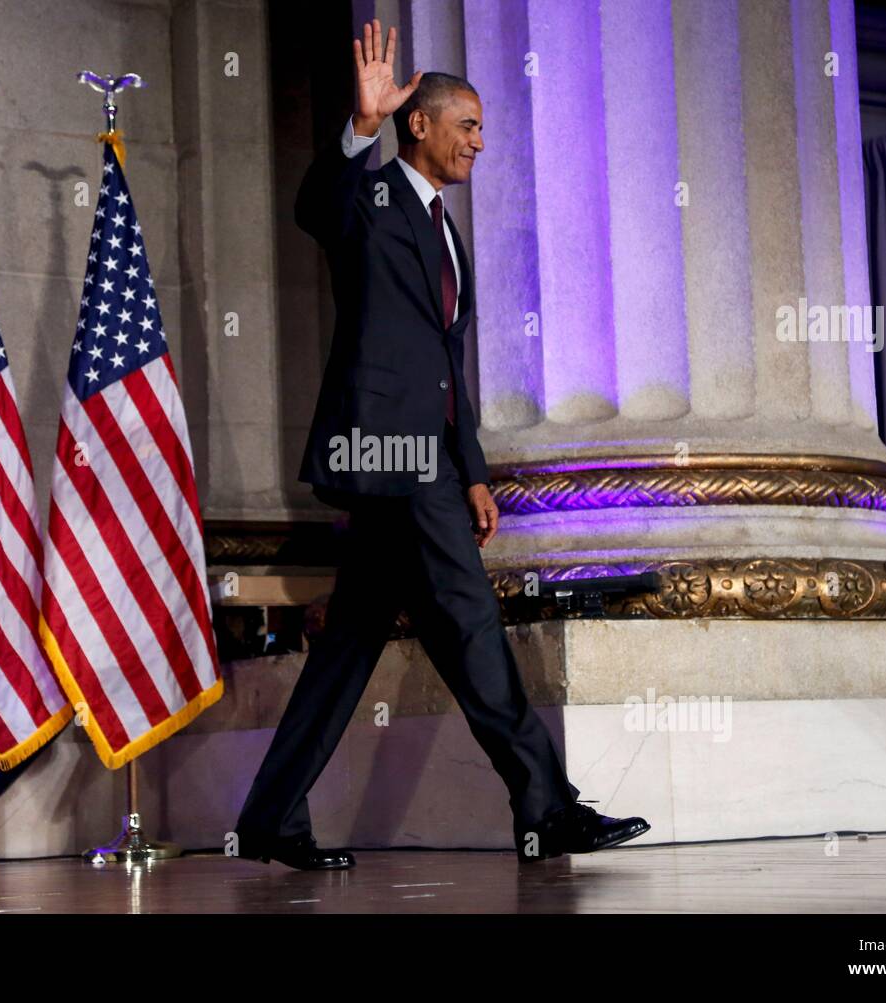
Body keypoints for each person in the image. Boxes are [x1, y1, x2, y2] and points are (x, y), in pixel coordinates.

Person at [234, 19, 649, 870]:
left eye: (483, 128)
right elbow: (317, 206)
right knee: (471, 623)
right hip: (387, 457)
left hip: (428, 465)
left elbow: (446, 368)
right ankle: (545, 807)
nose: (480, 142)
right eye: (467, 125)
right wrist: (361, 125)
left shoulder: (448, 232)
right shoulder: (373, 198)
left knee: (351, 644)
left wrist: (474, 474)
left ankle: (271, 816)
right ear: (418, 123)